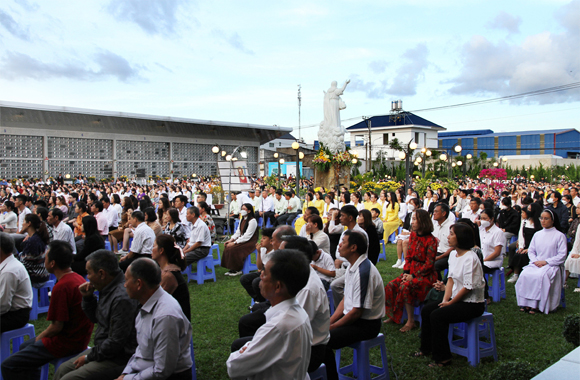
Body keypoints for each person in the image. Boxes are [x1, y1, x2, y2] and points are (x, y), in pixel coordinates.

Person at [1, 240, 94, 380]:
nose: (43, 260)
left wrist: (39, 338)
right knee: (25, 346)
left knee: (8, 365)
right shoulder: (77, 278)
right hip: (79, 338)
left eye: (45, 258)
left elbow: (56, 327)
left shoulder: (62, 286)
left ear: (52, 263)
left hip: (66, 342)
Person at [226, 250, 313, 380]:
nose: (260, 275)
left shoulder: (278, 327)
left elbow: (234, 368)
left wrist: (247, 346)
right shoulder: (299, 313)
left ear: (277, 287)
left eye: (265, 273)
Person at [54, 250, 139, 380]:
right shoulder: (108, 287)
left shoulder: (121, 297)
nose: (87, 277)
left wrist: (89, 357)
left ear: (101, 274)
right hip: (104, 350)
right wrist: (88, 298)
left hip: (119, 357)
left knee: (70, 378)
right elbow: (96, 318)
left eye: (88, 273)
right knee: (62, 369)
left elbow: (116, 342)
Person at [413, 223, 486, 367]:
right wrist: (445, 300)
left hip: (472, 304)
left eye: (452, 234)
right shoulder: (453, 254)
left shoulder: (470, 258)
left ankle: (443, 358)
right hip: (456, 299)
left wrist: (450, 304)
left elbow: (467, 288)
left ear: (461, 238)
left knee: (437, 316)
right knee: (427, 310)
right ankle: (426, 348)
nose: (448, 236)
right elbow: (451, 280)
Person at [323, 231, 385, 380]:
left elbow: (357, 312)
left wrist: (332, 328)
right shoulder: (353, 266)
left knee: (322, 341)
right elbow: (346, 299)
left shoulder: (364, 271)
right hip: (354, 318)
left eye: (343, 242)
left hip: (366, 324)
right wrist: (330, 321)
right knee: (321, 333)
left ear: (353, 248)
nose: (339, 245)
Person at [120, 258, 193, 379]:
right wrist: (125, 373)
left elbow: (162, 370)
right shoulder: (145, 305)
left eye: (127, 280)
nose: (125, 284)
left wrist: (127, 379)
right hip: (144, 371)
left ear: (139, 284)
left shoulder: (165, 317)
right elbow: (141, 350)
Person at [384, 209, 438, 332]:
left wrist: (413, 275)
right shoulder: (413, 236)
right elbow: (408, 256)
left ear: (422, 222)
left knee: (406, 286)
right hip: (411, 271)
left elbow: (429, 265)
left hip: (425, 275)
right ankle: (394, 315)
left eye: (414, 219)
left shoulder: (431, 240)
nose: (412, 222)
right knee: (391, 285)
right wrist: (406, 272)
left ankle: (410, 321)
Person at [515, 210, 568, 314]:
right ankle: (526, 303)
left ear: (553, 221)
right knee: (524, 274)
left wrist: (546, 262)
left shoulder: (559, 236)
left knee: (541, 277)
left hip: (551, 265)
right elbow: (531, 250)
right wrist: (535, 261)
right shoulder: (537, 234)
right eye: (541, 218)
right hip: (536, 264)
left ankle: (538, 305)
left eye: (546, 218)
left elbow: (562, 255)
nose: (543, 221)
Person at [152, 234, 191, 321]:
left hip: (175, 325)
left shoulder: (168, 275)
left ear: (161, 250)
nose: (151, 249)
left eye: (154, 246)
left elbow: (154, 302)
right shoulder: (166, 270)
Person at [0, 232, 33, 333]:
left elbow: (3, 305)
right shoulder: (8, 264)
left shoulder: (9, 271)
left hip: (16, 315)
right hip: (10, 310)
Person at [507, 203, 542, 283]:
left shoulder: (539, 224)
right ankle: (516, 274)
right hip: (526, 245)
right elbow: (521, 235)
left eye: (530, 209)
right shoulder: (525, 222)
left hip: (535, 247)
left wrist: (530, 249)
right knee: (518, 254)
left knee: (525, 256)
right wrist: (521, 247)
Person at [222, 203, 259, 276]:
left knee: (234, 248)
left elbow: (247, 236)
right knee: (228, 246)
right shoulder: (242, 219)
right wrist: (231, 240)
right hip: (243, 239)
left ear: (249, 211)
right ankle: (231, 268)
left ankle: (237, 269)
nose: (242, 211)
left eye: (244, 209)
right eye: (242, 209)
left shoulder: (252, 221)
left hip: (250, 241)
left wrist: (235, 243)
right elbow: (238, 232)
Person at [240, 228, 275, 304]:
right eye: (261, 238)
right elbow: (259, 267)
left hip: (270, 274)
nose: (261, 240)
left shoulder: (275, 252)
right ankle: (258, 299)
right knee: (244, 279)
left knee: (256, 282)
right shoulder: (262, 249)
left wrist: (263, 271)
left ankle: (260, 301)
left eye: (264, 238)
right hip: (263, 271)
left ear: (271, 241)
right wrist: (259, 252)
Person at [479, 208, 505, 302]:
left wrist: (484, 260)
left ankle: (486, 296)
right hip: (482, 260)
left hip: (493, 261)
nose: (483, 221)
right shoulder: (481, 230)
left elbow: (497, 252)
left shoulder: (498, 232)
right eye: (481, 218)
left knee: (478, 270)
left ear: (492, 219)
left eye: (485, 218)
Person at [19, 213, 50, 287]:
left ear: (29, 223)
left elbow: (25, 264)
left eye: (23, 222)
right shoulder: (37, 237)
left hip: (37, 277)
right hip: (43, 274)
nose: (22, 224)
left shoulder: (33, 241)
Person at [392, 198, 421, 269]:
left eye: (412, 203)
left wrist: (410, 232)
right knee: (399, 241)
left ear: (417, 205)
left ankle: (406, 261)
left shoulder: (420, 215)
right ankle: (399, 260)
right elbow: (405, 226)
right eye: (410, 203)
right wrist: (405, 232)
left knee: (405, 242)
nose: (410, 205)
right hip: (408, 233)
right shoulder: (409, 215)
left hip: (416, 234)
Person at [432, 203, 455, 280]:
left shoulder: (451, 227)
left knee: (434, 265)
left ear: (444, 213)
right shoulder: (435, 226)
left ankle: (439, 285)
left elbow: (453, 247)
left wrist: (438, 257)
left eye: (436, 211)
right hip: (436, 253)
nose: (433, 213)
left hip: (448, 255)